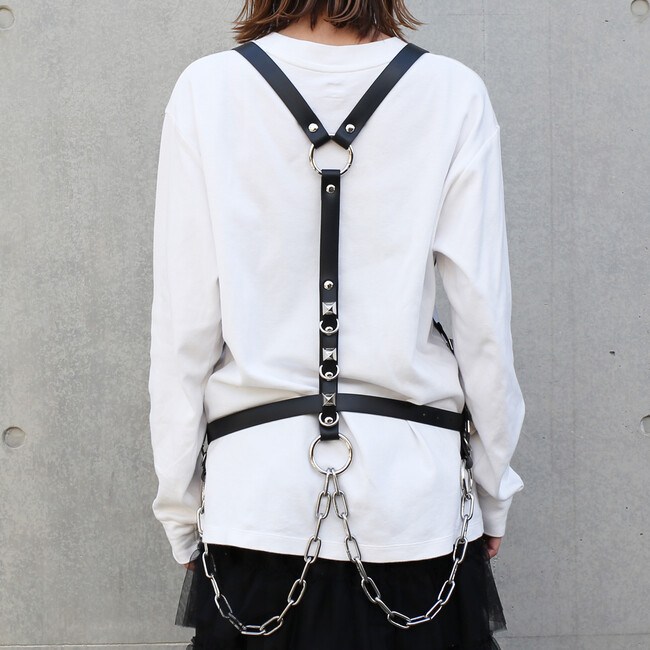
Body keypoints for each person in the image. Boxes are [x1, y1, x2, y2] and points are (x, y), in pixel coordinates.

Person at [149, 1, 524, 648]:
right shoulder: (451, 93)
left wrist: (181, 506)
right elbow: (483, 320)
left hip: (256, 505)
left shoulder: (209, 90)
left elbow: (184, 330)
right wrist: (494, 488)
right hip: (413, 508)